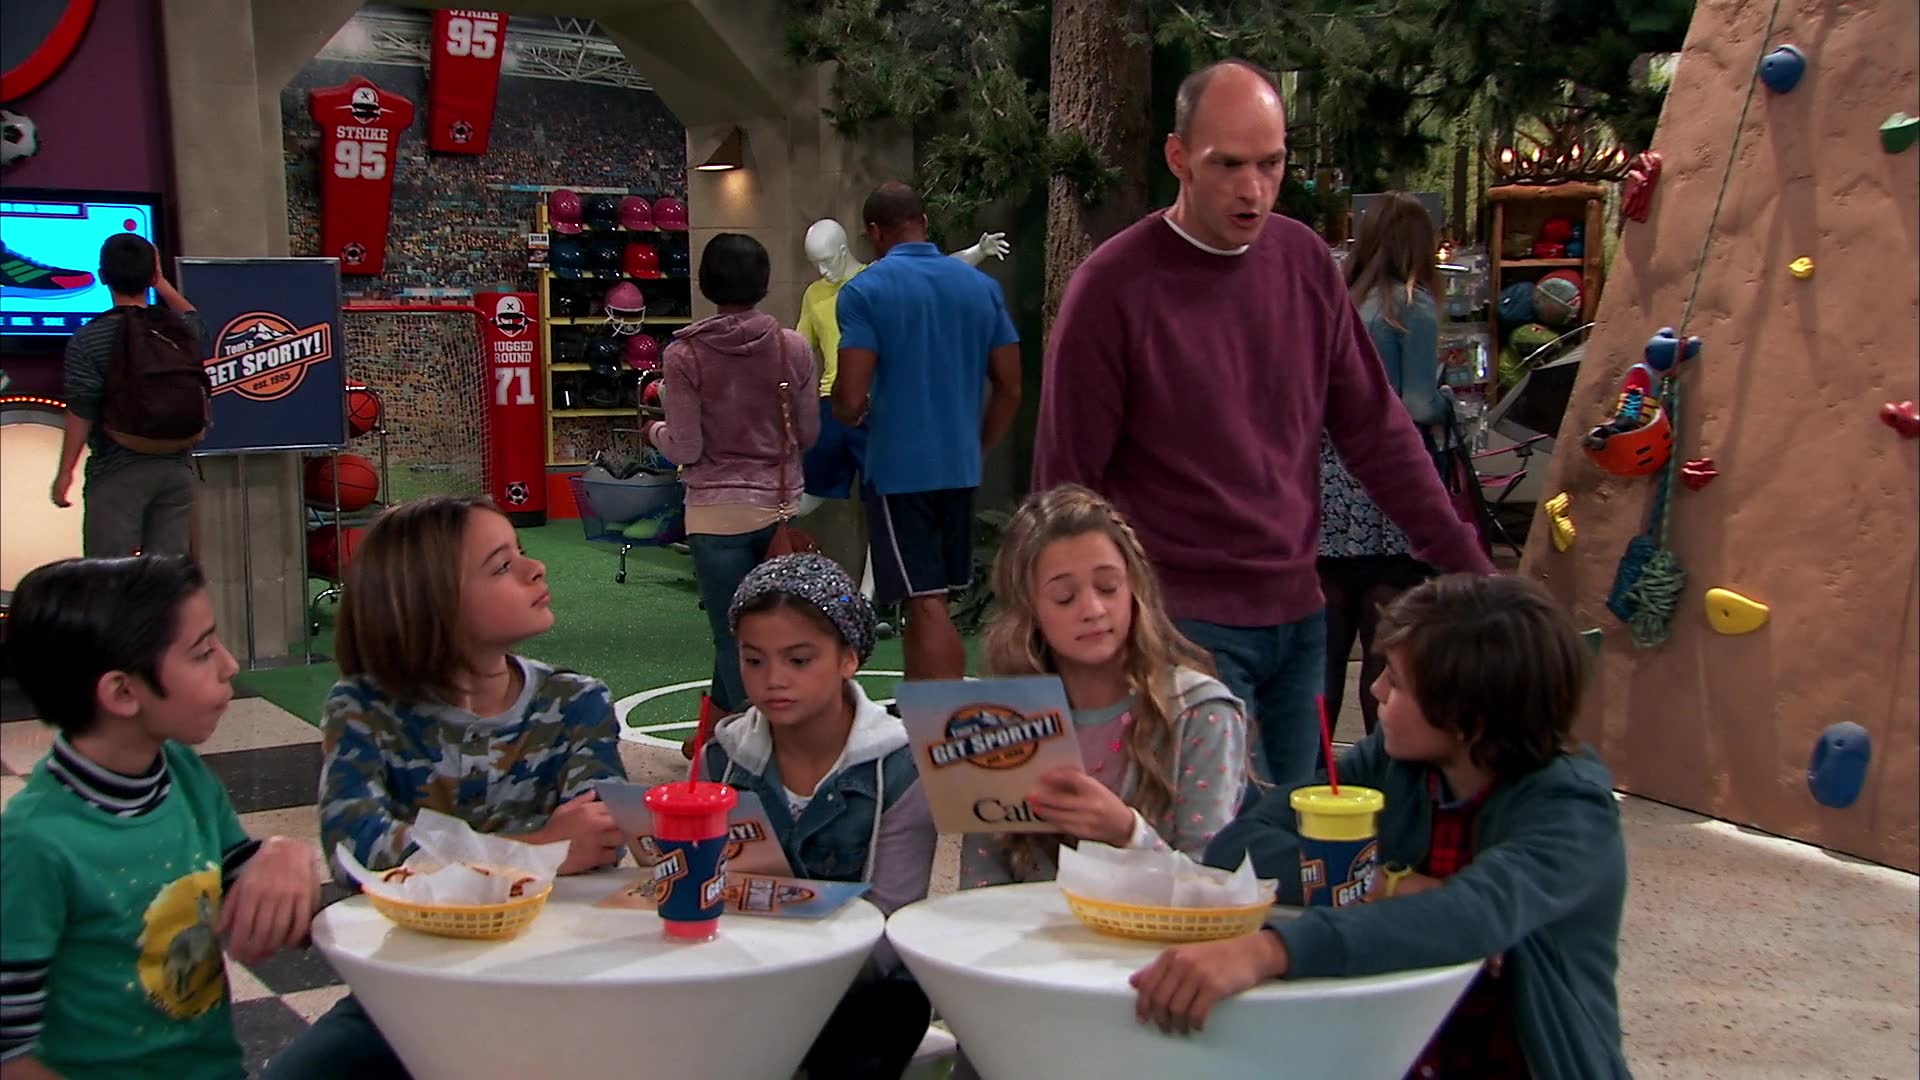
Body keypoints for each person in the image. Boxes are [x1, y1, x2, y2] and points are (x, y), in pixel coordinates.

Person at [1034, 59, 1494, 789]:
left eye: (1271, 163)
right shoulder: (1113, 288)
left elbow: (1376, 429)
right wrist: (1061, 639)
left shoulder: (1304, 261)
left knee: (1295, 830)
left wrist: (1467, 561)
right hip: (1179, 625)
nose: (1253, 188)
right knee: (1217, 838)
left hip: (1299, 617)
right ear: (1179, 158)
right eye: (1229, 165)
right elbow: (1064, 486)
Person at [1129, 574, 1628, 1079]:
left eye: (1397, 682)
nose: (1376, 689)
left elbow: (1474, 915)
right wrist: (1384, 883)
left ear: (1469, 720)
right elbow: (1239, 844)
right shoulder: (1391, 766)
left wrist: (1273, 949)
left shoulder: (1571, 810)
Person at [263, 496, 627, 1079]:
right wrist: (538, 847)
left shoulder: (576, 701)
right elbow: (359, 851)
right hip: (411, 982)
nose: (536, 569)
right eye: (502, 566)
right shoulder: (365, 708)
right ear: (431, 603)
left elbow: (599, 837)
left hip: (553, 970)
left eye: (522, 553)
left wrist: (460, 862)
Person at [1, 555, 320, 1079]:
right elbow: (9, 1049)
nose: (229, 665)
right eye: (203, 652)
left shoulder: (180, 772)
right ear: (122, 692)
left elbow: (243, 887)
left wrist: (284, 857)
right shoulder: (33, 843)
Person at [699, 553, 937, 1078]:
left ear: (849, 658)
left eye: (799, 660)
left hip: (859, 992)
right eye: (753, 660)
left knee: (882, 1013)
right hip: (736, 973)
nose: (773, 680)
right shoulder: (720, 761)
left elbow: (889, 927)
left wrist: (781, 969)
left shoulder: (901, 767)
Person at [960, 485, 1249, 888]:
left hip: (1157, 929)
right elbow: (980, 886)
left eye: (1109, 587)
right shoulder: (1001, 718)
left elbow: (1213, 887)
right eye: (1064, 597)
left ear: (1134, 589)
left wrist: (1127, 833)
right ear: (1029, 611)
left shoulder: (1200, 712)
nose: (1093, 610)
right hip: (1028, 929)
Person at [831, 182, 1023, 682]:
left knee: (927, 603)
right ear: (925, 223)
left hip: (899, 472)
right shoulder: (980, 287)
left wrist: (847, 413)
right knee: (926, 601)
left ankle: (945, 716)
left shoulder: (865, 291)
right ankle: (924, 711)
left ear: (874, 232)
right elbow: (1010, 387)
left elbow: (849, 397)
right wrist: (977, 448)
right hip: (959, 469)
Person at [644, 232, 818, 716]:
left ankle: (753, 740)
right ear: (764, 282)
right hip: (779, 508)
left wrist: (653, 431)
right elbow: (807, 432)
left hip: (715, 513)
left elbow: (686, 447)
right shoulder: (792, 348)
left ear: (705, 282)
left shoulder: (685, 355)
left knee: (734, 635)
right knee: (769, 633)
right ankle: (719, 727)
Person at [795, 218, 1013, 597]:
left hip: (877, 409)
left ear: (844, 251)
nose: (823, 270)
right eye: (815, 263)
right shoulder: (814, 294)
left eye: (827, 260)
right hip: (833, 405)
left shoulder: (878, 279)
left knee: (880, 506)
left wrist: (978, 252)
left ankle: (867, 598)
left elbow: (940, 270)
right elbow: (798, 344)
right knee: (802, 499)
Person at [1320, 191, 1455, 735]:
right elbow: (1417, 402)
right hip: (1385, 491)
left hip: (1328, 488)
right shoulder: (1410, 307)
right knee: (1385, 650)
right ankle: (1381, 766)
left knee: (1326, 650)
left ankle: (1313, 769)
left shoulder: (1336, 305)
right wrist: (1448, 404)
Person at [51, 234, 208, 559]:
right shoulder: (178, 330)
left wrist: (65, 471)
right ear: (151, 275)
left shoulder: (88, 339)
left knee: (109, 573)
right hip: (177, 469)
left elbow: (82, 410)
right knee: (165, 577)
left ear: (103, 276)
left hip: (117, 469)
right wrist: (161, 283)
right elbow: (196, 320)